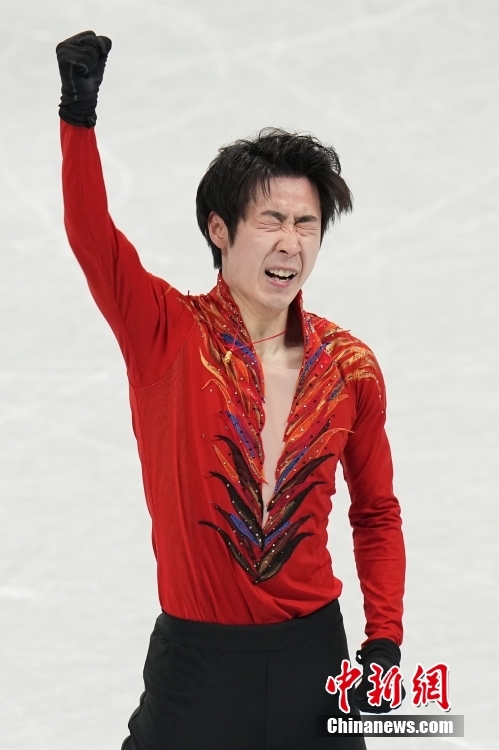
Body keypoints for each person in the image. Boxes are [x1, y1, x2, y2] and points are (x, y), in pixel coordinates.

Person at [56, 30, 405, 750]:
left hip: (316, 662)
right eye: (271, 220)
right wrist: (78, 118)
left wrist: (384, 641)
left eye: (306, 224)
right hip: (197, 667)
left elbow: (375, 512)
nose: (290, 243)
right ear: (220, 229)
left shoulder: (350, 366)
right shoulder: (165, 331)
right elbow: (93, 237)